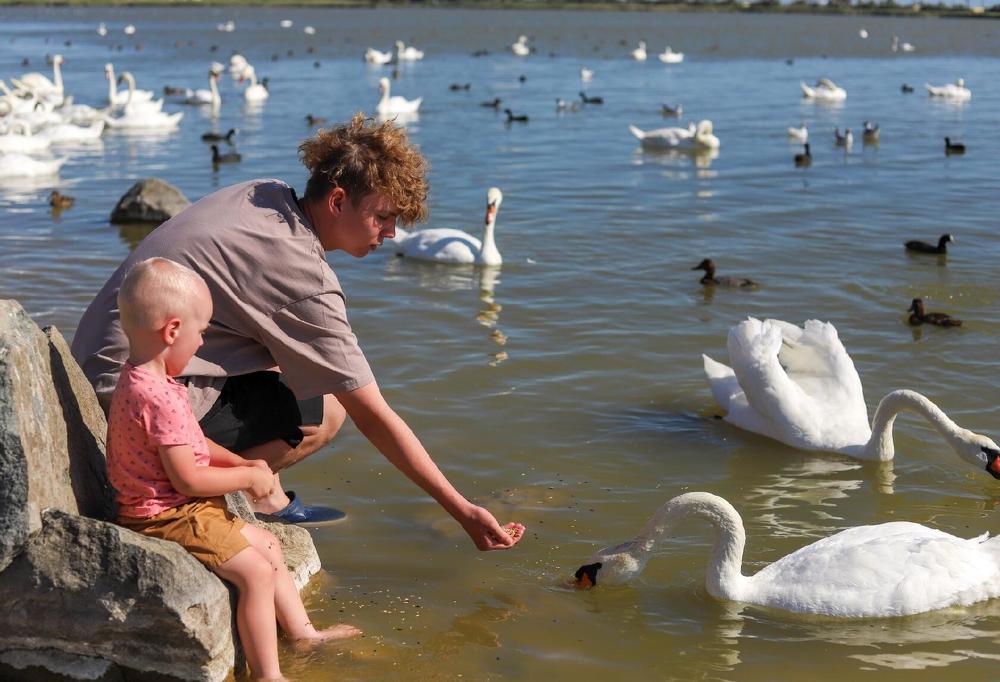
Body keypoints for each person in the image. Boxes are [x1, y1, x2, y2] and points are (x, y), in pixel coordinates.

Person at [72, 113, 524, 549]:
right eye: (383, 217)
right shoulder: (303, 276)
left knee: (293, 361)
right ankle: (220, 493)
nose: (390, 233)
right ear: (338, 201)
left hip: (105, 361)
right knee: (328, 412)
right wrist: (462, 509)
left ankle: (258, 488)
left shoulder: (263, 192)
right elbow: (374, 415)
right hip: (124, 401)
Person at [108, 258, 360, 681]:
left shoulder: (140, 379)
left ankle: (303, 634)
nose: (202, 344)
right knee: (257, 574)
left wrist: (238, 460)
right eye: (201, 332)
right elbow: (187, 478)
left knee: (271, 546)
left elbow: (189, 439)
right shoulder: (161, 396)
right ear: (172, 331)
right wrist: (249, 478)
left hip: (178, 507)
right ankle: (268, 675)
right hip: (165, 516)